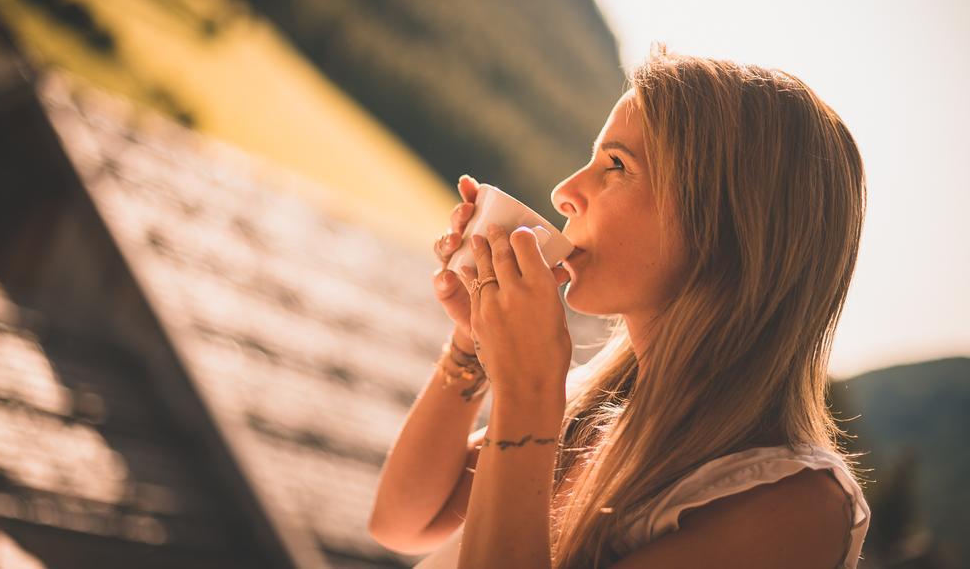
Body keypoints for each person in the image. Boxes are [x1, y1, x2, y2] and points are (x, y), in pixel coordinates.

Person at [368, 43, 871, 568]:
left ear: (726, 228)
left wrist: (529, 389)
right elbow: (403, 521)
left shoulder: (793, 508)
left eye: (615, 165)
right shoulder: (596, 413)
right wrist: (472, 345)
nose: (564, 191)